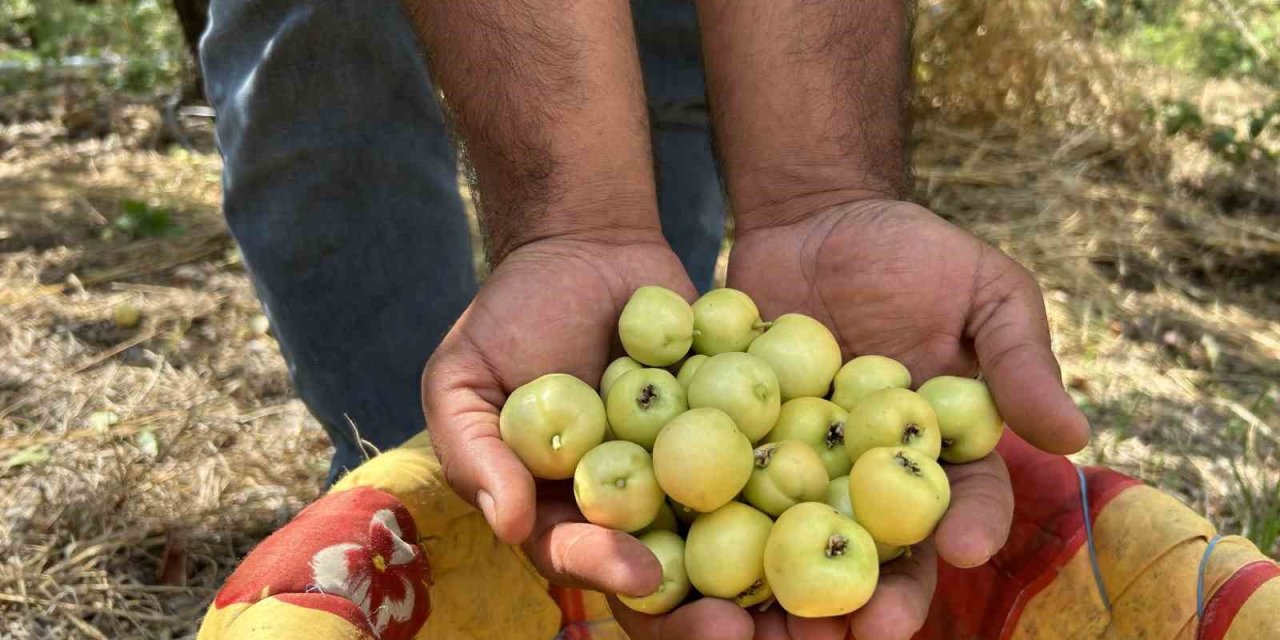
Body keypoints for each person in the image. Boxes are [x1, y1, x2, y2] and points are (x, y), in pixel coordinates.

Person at [199, 1, 1091, 638]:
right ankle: (398, 486)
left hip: (691, 439)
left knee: (665, 41)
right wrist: (571, 220)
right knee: (326, 44)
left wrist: (824, 190)